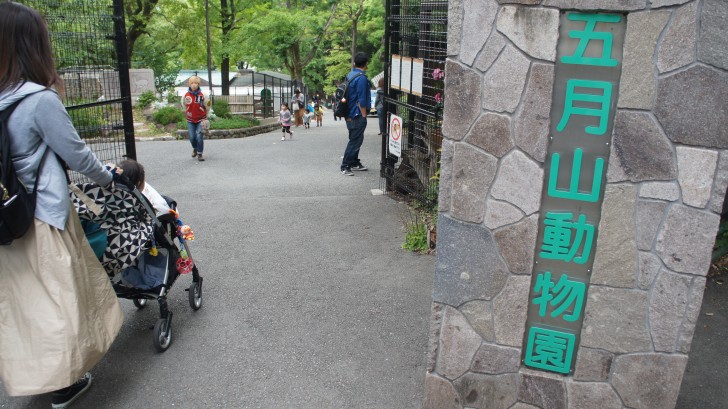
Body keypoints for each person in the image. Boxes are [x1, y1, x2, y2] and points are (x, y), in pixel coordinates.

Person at [0, 3, 124, 407]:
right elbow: (76, 155)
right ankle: (64, 381)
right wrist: (109, 178)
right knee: (60, 298)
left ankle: (31, 373)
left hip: (6, 218)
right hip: (41, 217)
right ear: (32, 45)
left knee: (23, 304)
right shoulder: (38, 100)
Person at [340, 52, 371, 176]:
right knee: (355, 140)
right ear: (366, 64)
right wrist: (364, 115)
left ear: (354, 63)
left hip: (348, 113)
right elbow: (362, 100)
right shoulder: (362, 78)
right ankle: (345, 165)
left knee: (356, 139)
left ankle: (353, 162)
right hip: (357, 114)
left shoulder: (350, 75)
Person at [182, 76, 209, 161]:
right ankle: (195, 148)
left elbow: (207, 106)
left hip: (201, 119)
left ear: (198, 84)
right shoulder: (185, 95)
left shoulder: (203, 95)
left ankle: (200, 154)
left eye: (196, 83)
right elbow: (184, 105)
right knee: (192, 137)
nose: (194, 85)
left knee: (199, 136)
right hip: (190, 120)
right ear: (189, 84)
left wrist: (206, 116)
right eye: (192, 83)